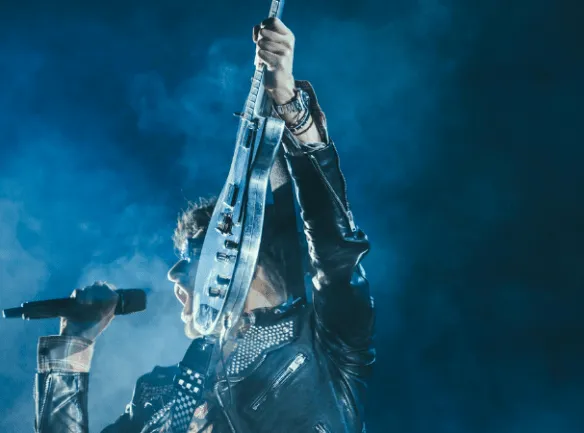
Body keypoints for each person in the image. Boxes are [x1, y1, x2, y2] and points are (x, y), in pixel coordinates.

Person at [33, 17, 374, 433]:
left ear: (243, 258)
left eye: (196, 253)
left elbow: (333, 247)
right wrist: (73, 346)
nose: (175, 274)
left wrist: (289, 107)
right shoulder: (157, 395)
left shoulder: (321, 343)